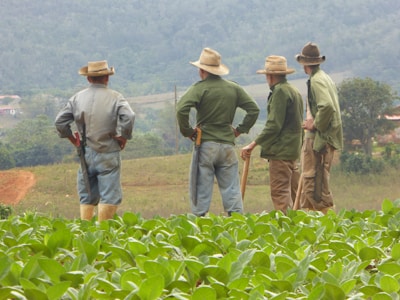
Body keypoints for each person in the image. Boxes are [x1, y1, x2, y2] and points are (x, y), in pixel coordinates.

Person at [176, 47, 260, 216]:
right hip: (228, 146)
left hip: (206, 145)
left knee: (201, 189)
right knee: (232, 189)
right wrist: (240, 130)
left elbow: (181, 109)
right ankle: (236, 224)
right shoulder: (233, 88)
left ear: (201, 71)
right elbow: (254, 109)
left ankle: (200, 226)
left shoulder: (200, 88)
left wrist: (188, 131)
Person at [55, 60, 135, 221]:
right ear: (107, 78)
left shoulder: (77, 98)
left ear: (88, 79)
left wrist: (73, 139)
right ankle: (103, 233)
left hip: (85, 152)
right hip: (108, 151)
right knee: (109, 196)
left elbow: (60, 122)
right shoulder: (115, 97)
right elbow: (129, 116)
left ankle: (87, 232)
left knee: (87, 195)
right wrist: (124, 137)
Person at [241, 55, 304, 213]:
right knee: (296, 195)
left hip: (280, 152)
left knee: (280, 192)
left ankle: (285, 229)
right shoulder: (293, 91)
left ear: (270, 76)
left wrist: (253, 144)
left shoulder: (280, 92)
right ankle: (300, 226)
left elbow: (273, 125)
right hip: (292, 151)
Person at [294, 42, 343, 214]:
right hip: (324, 138)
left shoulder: (316, 81)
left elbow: (327, 106)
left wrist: (314, 124)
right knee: (310, 189)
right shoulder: (325, 78)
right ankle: (307, 225)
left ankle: (330, 225)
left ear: (304, 64)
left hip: (318, 140)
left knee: (315, 187)